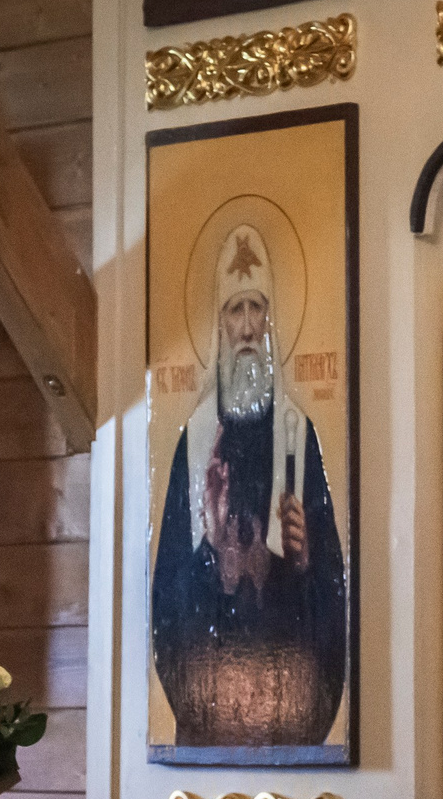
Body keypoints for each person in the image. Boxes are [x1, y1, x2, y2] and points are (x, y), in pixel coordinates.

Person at [151, 222, 352, 753]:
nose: (245, 327)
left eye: (255, 309)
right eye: (234, 310)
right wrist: (211, 555)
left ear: (270, 320)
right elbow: (167, 590)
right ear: (219, 323)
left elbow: (332, 582)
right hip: (212, 678)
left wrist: (306, 556)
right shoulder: (195, 441)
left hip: (286, 680)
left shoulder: (296, 433)